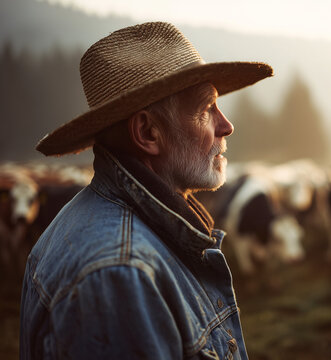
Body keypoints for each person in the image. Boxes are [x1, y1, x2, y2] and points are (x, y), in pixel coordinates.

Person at [19, 21, 273, 359]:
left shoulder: (111, 237)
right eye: (206, 108)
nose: (226, 125)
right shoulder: (120, 275)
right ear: (148, 133)